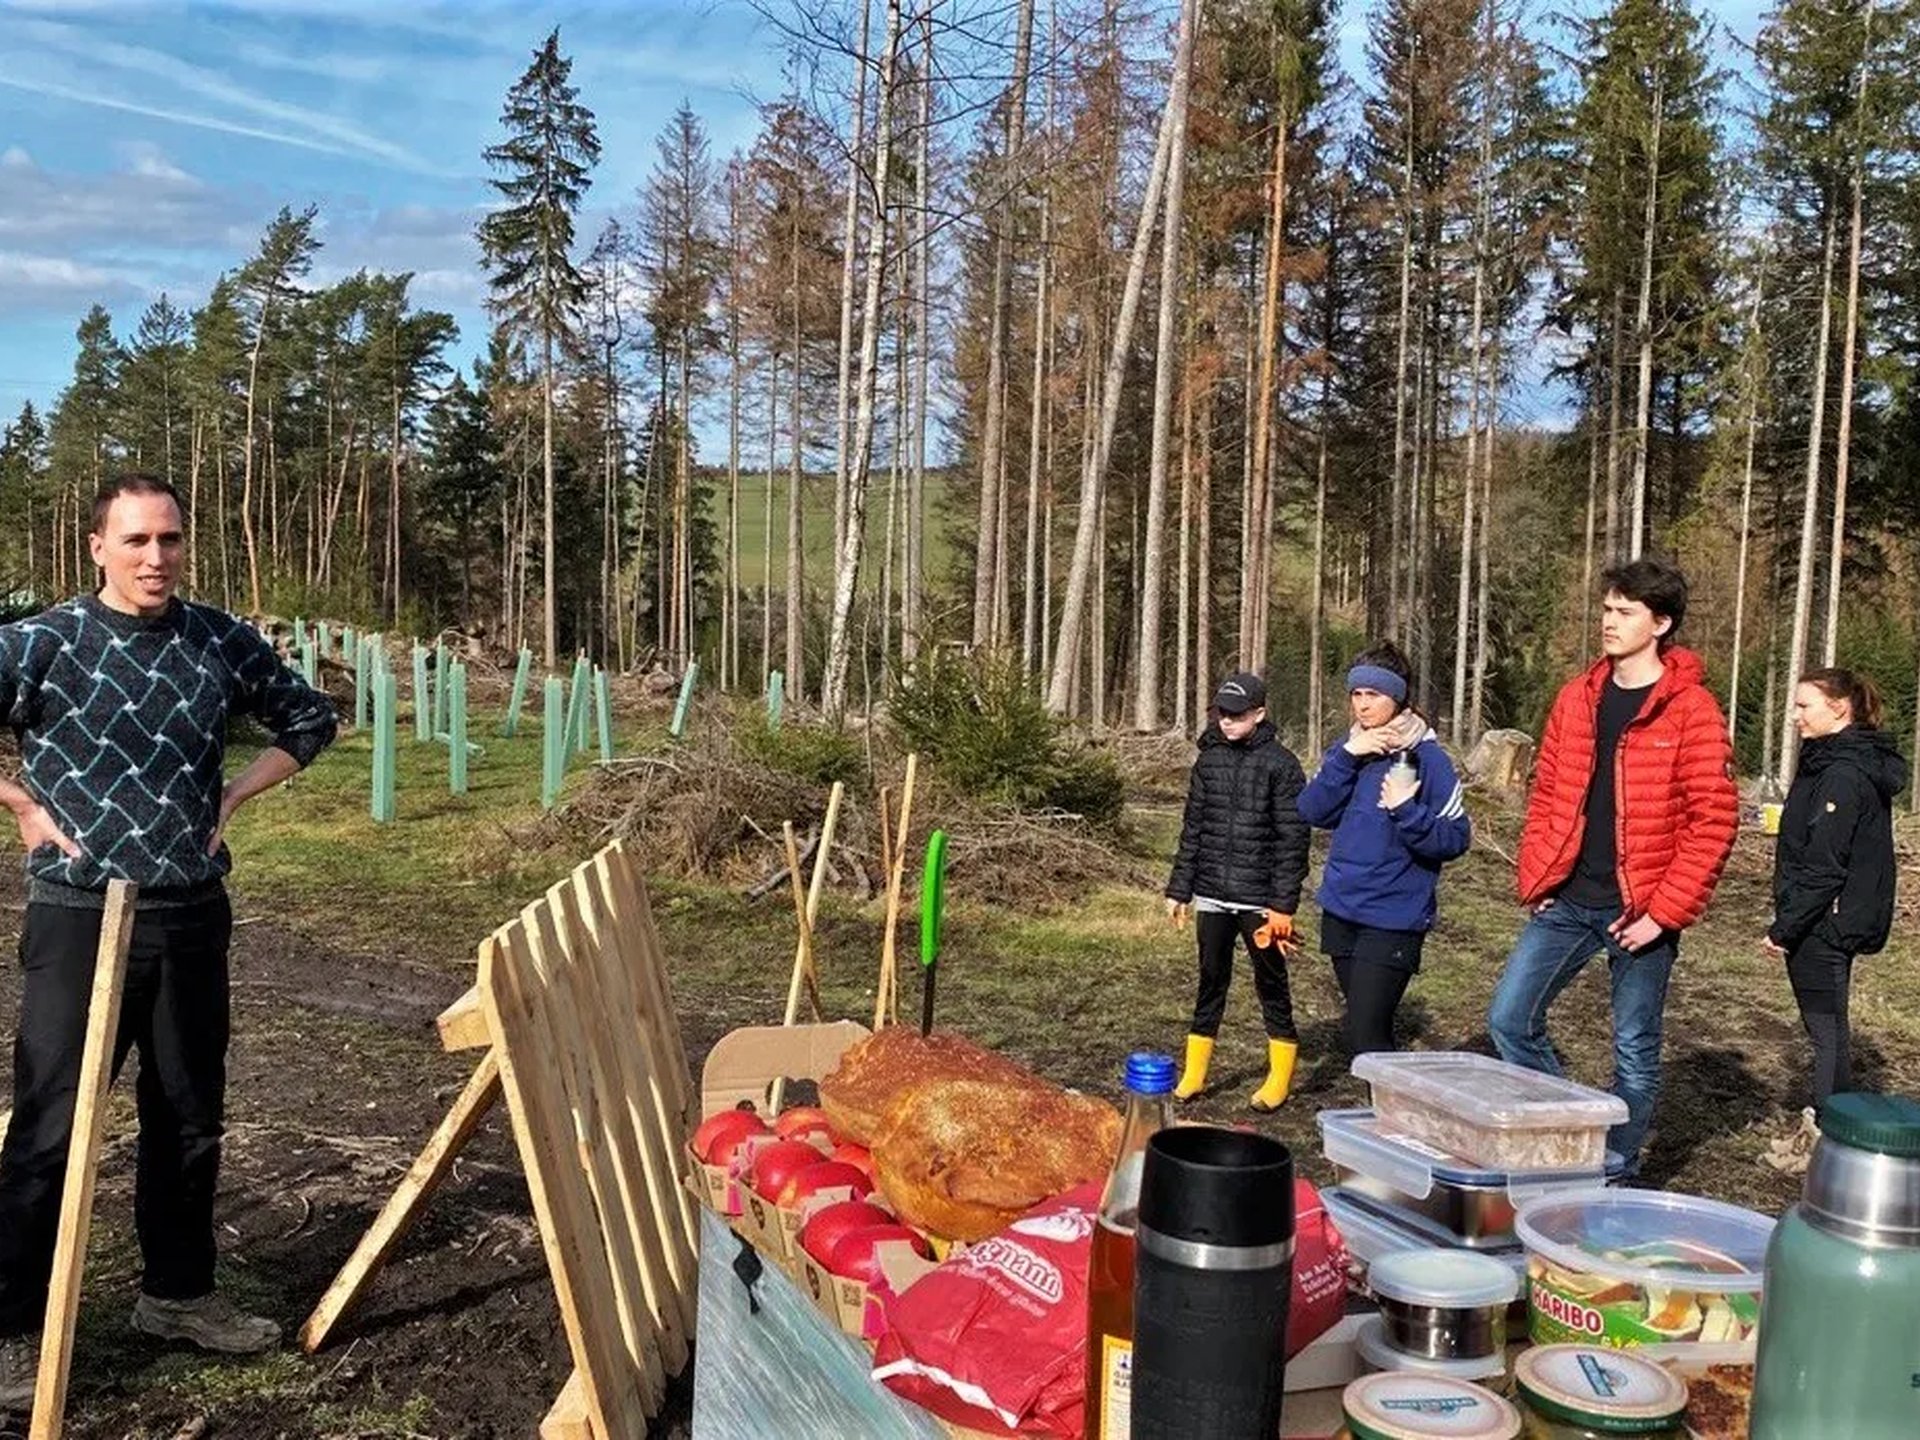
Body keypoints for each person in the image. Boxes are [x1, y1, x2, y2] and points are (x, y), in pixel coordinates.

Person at [0, 474, 338, 1410]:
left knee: (188, 1116)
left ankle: (176, 1295)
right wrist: (22, 805)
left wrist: (235, 794)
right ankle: (11, 1328)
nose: (157, 558)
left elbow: (311, 718)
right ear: (98, 546)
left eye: (172, 540)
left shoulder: (215, 638)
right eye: (139, 540)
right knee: (52, 1123)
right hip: (78, 915)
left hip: (190, 913)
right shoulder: (42, 645)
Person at [1488, 558, 1737, 1173]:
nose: (1609, 621)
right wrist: (1538, 875)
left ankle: (1614, 1166)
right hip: (1568, 898)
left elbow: (1714, 819)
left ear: (1661, 623)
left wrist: (1663, 913)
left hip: (1642, 908)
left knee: (1634, 1048)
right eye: (1607, 609)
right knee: (1510, 1019)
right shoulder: (1578, 697)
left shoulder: (1691, 709)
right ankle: (1575, 1131)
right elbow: (1546, 793)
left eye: (1626, 612)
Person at [1298, 643, 1470, 1056]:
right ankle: (1383, 1115)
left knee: (1366, 1033)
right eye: (1356, 694)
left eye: (1373, 695)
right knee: (1362, 1033)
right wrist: (1346, 757)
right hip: (1341, 908)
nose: (1362, 705)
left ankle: (1393, 1118)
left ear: (1397, 697)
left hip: (1393, 916)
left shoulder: (1430, 761)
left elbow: (1455, 838)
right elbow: (1312, 810)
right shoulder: (1349, 750)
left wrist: (1407, 811)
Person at [1164, 671, 1311, 1111]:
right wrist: (1180, 888)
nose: (1226, 722)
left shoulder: (1282, 766)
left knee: (1271, 984)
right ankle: (1194, 1074)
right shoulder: (1207, 762)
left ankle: (1279, 1077)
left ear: (1260, 714)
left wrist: (1282, 906)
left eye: (1236, 715)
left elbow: (1293, 841)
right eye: (1221, 713)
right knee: (1211, 981)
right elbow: (1193, 829)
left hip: (1261, 902)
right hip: (1211, 893)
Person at [1766, 668, 1904, 1107]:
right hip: (1829, 917)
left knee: (1826, 1033)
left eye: (1805, 705)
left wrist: (1784, 928)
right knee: (1830, 1030)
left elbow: (1825, 866)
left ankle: (1830, 1136)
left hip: (1824, 924)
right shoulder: (1832, 762)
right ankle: (1829, 1128)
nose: (1795, 716)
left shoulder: (1842, 774)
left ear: (1839, 708)